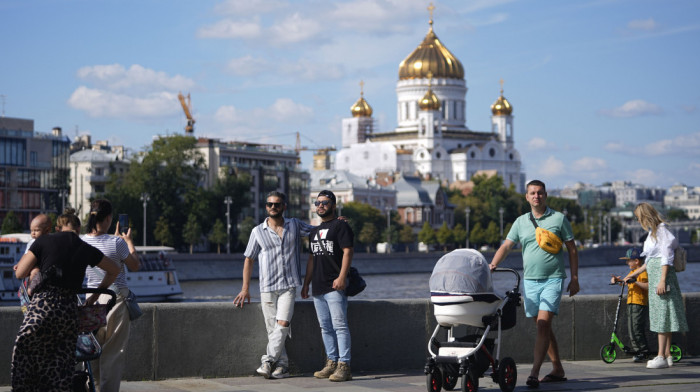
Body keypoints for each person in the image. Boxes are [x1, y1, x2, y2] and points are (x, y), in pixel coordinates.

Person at [489, 179, 579, 389]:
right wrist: (492, 264)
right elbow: (507, 246)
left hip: (553, 279)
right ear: (527, 197)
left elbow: (572, 250)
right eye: (532, 193)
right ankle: (557, 369)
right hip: (530, 281)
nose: (536, 196)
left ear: (545, 195)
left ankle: (533, 373)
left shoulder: (559, 219)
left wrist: (574, 279)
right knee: (543, 326)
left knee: (542, 325)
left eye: (540, 193)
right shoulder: (520, 222)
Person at [11, 230, 120, 391]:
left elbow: (20, 272)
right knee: (61, 364)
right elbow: (114, 269)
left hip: (43, 308)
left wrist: (34, 269)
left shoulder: (44, 242)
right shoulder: (83, 247)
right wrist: (94, 296)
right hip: (69, 313)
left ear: (57, 228)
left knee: (23, 347)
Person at [233, 191, 314, 380]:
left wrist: (335, 221)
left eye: (277, 204)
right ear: (266, 207)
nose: (273, 207)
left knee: (283, 323)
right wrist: (245, 288)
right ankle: (282, 366)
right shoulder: (257, 231)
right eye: (269, 204)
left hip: (289, 285)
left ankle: (267, 360)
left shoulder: (294, 225)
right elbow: (248, 260)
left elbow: (316, 231)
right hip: (267, 287)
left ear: (284, 206)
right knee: (274, 330)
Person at [82, 199, 141, 392]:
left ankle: (92, 386)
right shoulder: (117, 242)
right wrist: (129, 243)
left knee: (93, 349)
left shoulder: (83, 241)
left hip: (91, 298)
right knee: (113, 351)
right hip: (115, 299)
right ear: (109, 218)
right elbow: (134, 265)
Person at [627, 202, 688, 369]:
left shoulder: (661, 232)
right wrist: (632, 274)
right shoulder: (653, 233)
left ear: (645, 216)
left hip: (662, 279)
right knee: (665, 315)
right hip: (657, 278)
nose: (638, 221)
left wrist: (662, 280)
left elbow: (666, 258)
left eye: (638, 218)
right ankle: (668, 354)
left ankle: (660, 356)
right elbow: (649, 262)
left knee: (661, 316)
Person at [302, 190, 355, 382]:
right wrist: (306, 284)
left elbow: (348, 252)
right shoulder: (314, 231)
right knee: (325, 327)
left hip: (335, 285)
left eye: (325, 202)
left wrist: (342, 277)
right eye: (317, 203)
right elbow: (311, 260)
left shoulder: (341, 226)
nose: (320, 206)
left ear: (333, 205)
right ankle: (331, 362)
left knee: (340, 326)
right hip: (318, 286)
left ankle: (344, 365)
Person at [610, 247, 650, 362]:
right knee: (631, 328)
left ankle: (644, 351)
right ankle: (637, 350)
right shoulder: (632, 272)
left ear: (636, 261)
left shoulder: (643, 272)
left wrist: (636, 282)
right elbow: (625, 282)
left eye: (628, 260)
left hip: (639, 303)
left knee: (637, 328)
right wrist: (617, 281)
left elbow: (647, 286)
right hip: (631, 303)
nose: (627, 263)